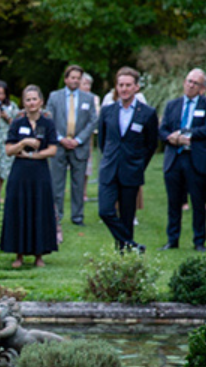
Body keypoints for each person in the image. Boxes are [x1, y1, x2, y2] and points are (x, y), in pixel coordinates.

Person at [97, 66, 159, 252]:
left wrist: (138, 164)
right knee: (105, 211)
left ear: (136, 88)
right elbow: (102, 141)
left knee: (127, 216)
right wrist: (111, 158)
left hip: (131, 170)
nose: (124, 89)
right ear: (116, 87)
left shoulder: (147, 113)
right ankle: (131, 245)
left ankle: (124, 255)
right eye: (121, 85)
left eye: (128, 85)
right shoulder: (107, 111)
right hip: (109, 169)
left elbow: (151, 145)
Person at [0, 85, 59, 268]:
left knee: (39, 210)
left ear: (40, 102)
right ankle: (18, 255)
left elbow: (53, 149)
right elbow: (9, 150)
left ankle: (39, 255)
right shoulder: (17, 124)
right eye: (28, 100)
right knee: (19, 211)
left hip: (40, 173)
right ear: (23, 103)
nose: (31, 103)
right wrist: (24, 142)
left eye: (34, 99)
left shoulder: (47, 123)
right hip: (19, 174)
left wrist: (33, 155)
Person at [158, 68, 206, 252]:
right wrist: (172, 138)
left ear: (202, 87)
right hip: (174, 158)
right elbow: (161, 130)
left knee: (198, 201)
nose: (190, 85)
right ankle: (172, 239)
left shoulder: (204, 105)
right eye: (189, 81)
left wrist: (188, 134)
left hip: (196, 159)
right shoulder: (173, 105)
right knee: (173, 201)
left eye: (195, 83)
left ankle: (199, 240)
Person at [46, 65, 98, 227]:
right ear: (66, 78)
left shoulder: (88, 98)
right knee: (57, 184)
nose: (75, 80)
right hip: (59, 146)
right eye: (72, 77)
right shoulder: (54, 97)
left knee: (78, 185)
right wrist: (61, 139)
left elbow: (92, 121)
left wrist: (79, 140)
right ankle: (56, 216)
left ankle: (77, 217)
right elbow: (49, 119)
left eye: (78, 78)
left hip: (79, 147)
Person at [0, 80, 19, 200]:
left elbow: (17, 124)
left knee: (6, 169)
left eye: (2, 94)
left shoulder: (12, 106)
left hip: (7, 140)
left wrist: (6, 116)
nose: (0, 97)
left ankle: (5, 194)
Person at [79, 73, 101, 201]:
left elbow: (95, 116)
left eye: (89, 84)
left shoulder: (94, 98)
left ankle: (84, 192)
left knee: (86, 165)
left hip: (87, 136)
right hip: (71, 135)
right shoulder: (73, 98)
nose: (87, 87)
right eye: (84, 84)